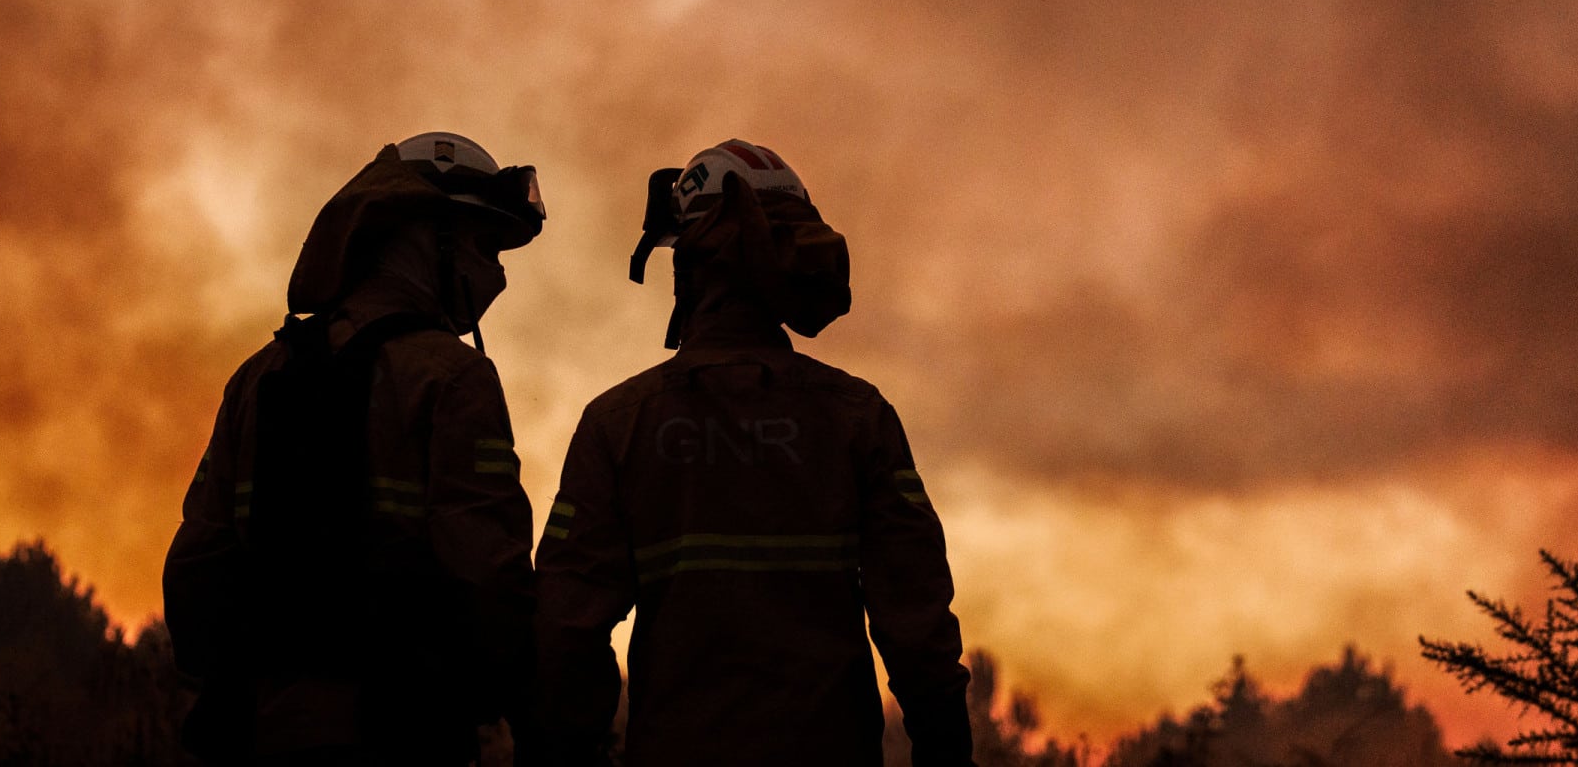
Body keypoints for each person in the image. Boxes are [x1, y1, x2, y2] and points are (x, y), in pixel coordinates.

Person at [533, 139, 973, 767]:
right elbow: (918, 623)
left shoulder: (619, 424)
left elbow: (565, 631)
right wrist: (949, 754)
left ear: (691, 260)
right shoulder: (856, 415)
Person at [163, 132, 546, 765]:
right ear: (425, 235)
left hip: (259, 731)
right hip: (403, 731)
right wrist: (531, 712)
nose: (496, 273)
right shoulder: (452, 378)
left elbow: (196, 568)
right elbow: (489, 579)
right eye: (484, 244)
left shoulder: (259, 377)